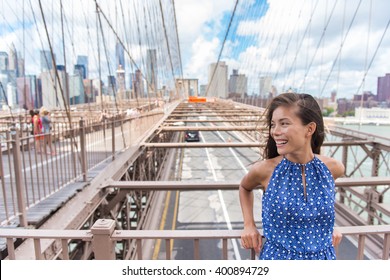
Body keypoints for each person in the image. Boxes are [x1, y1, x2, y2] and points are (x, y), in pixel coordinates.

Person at [239, 92, 345, 260]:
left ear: (310, 129)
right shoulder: (266, 170)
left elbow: (320, 206)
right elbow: (245, 187)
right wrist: (249, 224)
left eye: (284, 124)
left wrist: (326, 228)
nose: (275, 132)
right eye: (273, 124)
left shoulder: (333, 168)